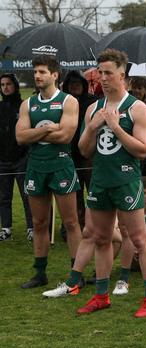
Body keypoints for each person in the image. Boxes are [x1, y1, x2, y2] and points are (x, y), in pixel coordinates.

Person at [76, 49, 146, 318]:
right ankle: (101, 295)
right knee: (99, 238)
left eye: (108, 73)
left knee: (138, 238)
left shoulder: (137, 108)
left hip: (126, 181)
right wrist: (92, 127)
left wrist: (116, 126)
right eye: (100, 73)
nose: (103, 78)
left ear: (122, 75)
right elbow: (84, 150)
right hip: (100, 181)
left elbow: (142, 150)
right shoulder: (93, 108)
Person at [15, 55, 82, 289]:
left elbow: (65, 136)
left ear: (54, 75)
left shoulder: (69, 101)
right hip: (36, 167)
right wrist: (47, 129)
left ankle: (77, 272)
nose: (37, 76)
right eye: (35, 72)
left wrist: (35, 131)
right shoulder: (28, 104)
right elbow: (20, 137)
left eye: (42, 72)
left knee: (71, 222)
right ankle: (40, 272)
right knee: (39, 222)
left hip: (61, 165)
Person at [62, 70, 98, 231]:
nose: (74, 86)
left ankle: (95, 224)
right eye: (71, 84)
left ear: (83, 85)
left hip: (89, 155)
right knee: (73, 194)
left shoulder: (93, 102)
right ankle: (75, 225)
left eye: (77, 83)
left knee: (93, 191)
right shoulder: (63, 102)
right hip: (69, 156)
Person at [0, 73, 33, 242]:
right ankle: (5, 229)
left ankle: (31, 228)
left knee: (27, 195)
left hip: (21, 159)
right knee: (4, 197)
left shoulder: (23, 106)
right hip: (3, 161)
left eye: (8, 84)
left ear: (15, 86)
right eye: (3, 84)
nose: (5, 87)